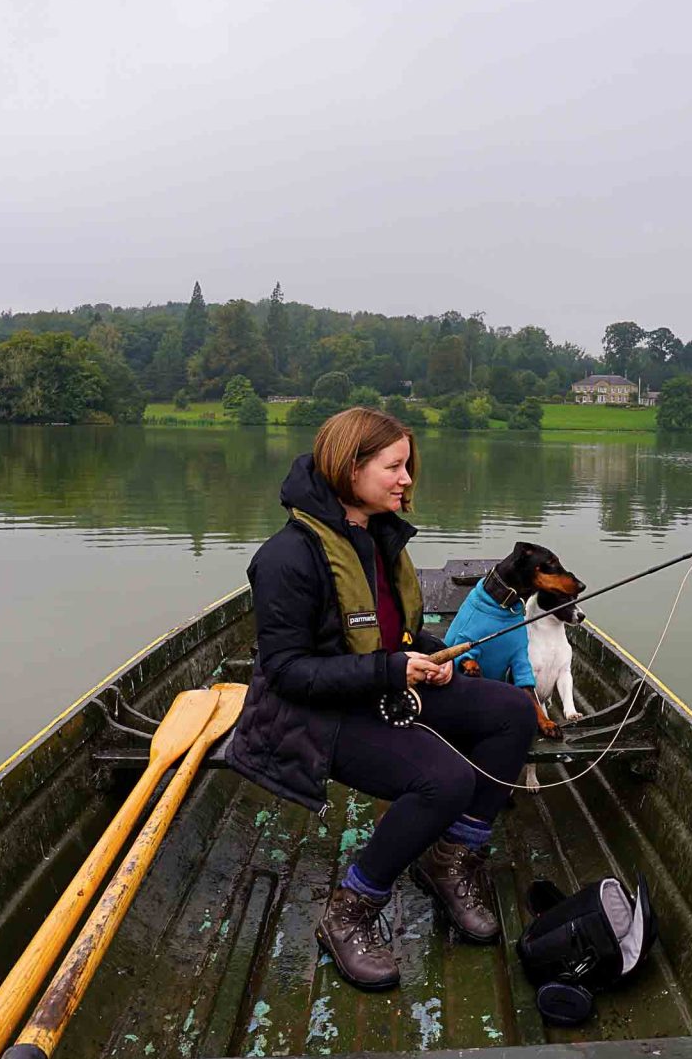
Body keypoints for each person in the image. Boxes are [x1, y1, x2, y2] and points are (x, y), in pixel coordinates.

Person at [225, 406, 539, 991]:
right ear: (351, 468)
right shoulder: (286, 558)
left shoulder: (379, 537)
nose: (406, 479)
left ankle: (450, 861)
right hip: (309, 716)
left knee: (512, 711)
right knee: (444, 780)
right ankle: (350, 910)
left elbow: (392, 630)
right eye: (394, 466)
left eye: (408, 466)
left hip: (382, 685)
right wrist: (394, 668)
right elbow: (289, 673)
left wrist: (432, 655)